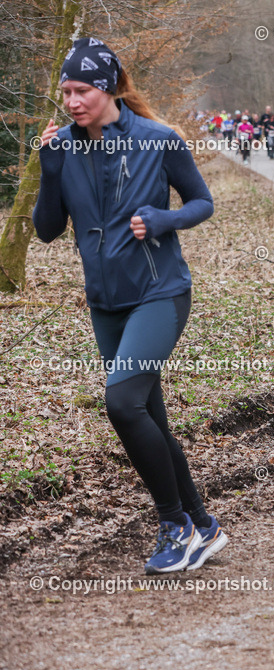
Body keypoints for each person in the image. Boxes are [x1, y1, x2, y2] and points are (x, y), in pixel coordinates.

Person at [32, 38, 226, 574]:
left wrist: (164, 220)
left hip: (160, 292)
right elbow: (47, 230)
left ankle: (176, 525)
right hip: (106, 304)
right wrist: (49, 170)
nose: (72, 101)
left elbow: (202, 202)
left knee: (121, 404)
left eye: (82, 90)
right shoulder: (64, 148)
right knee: (150, 417)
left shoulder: (158, 140)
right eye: (66, 91)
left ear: (110, 87)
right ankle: (204, 526)